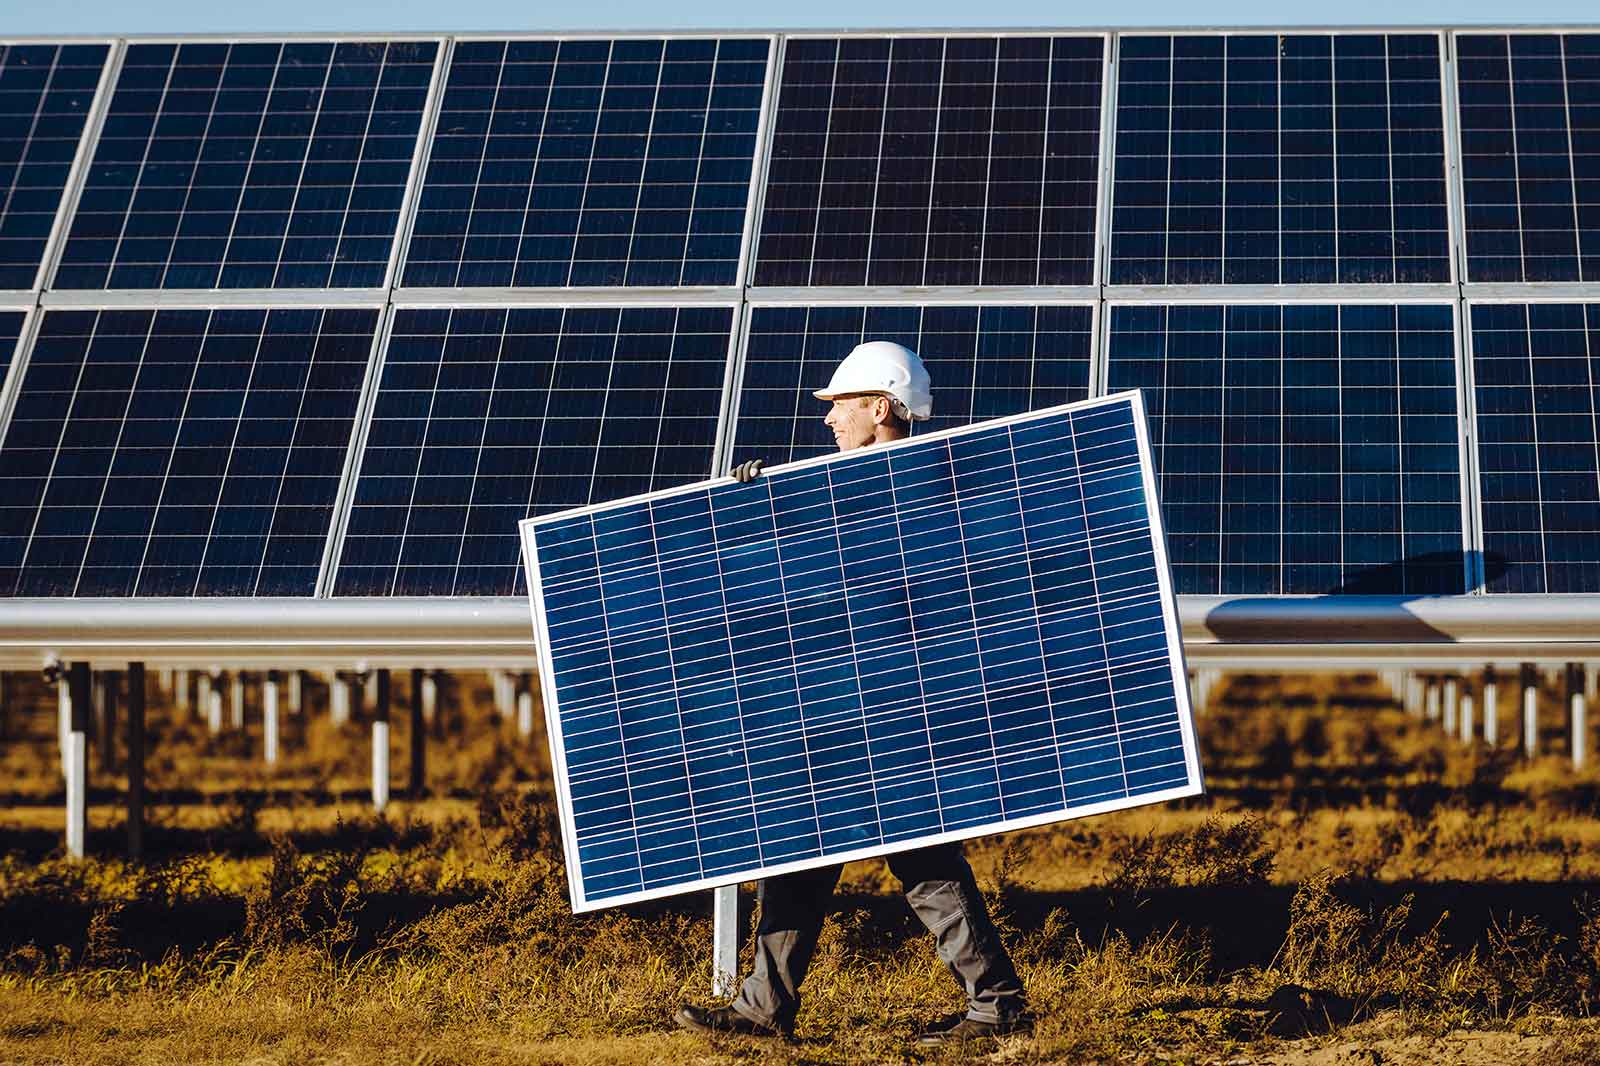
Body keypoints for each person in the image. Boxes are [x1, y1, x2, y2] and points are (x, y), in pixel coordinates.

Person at [674, 341, 1032, 1047]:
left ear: (880, 405)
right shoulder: (822, 491)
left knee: (924, 856)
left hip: (901, 704)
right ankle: (762, 1010)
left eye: (841, 405)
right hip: (836, 701)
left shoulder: (933, 484)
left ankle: (996, 1006)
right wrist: (752, 506)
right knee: (803, 846)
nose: (830, 420)